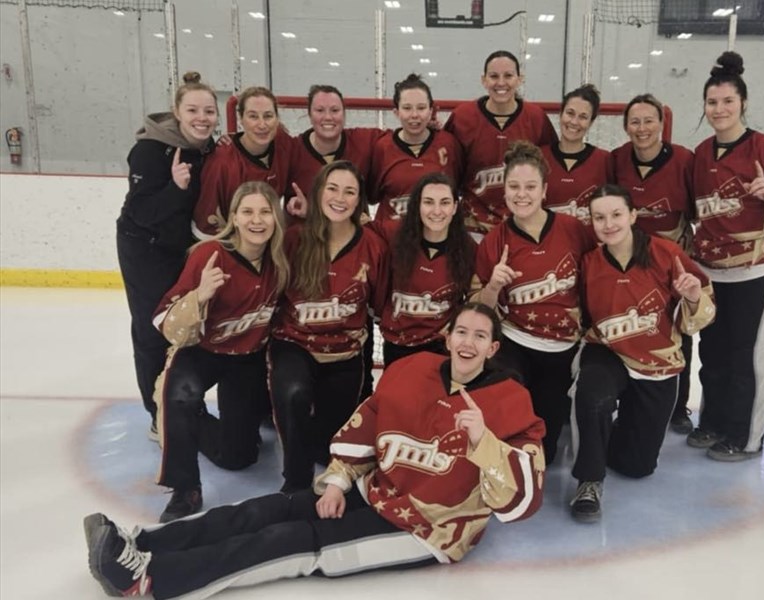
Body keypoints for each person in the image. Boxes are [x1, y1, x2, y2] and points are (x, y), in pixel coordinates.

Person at [83, 303, 546, 599]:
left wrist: (485, 444)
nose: (468, 342)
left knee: (292, 543)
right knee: (264, 511)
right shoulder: (414, 372)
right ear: (448, 338)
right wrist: (340, 481)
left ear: (493, 347)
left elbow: (521, 500)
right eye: (461, 332)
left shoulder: (510, 402)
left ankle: (150, 580)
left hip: (427, 529)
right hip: (374, 491)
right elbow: (365, 430)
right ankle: (141, 542)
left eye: (480, 336)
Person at [688, 52, 764, 461]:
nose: (719, 109)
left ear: (743, 103)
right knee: (715, 353)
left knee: (749, 357)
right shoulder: (701, 154)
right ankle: (715, 422)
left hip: (757, 273)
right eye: (712, 102)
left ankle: (747, 437)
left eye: (727, 101)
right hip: (712, 273)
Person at [569, 184, 715, 522]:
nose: (609, 224)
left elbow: (701, 314)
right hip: (606, 352)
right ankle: (589, 480)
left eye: (616, 214)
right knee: (593, 396)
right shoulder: (589, 262)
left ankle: (613, 432)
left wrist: (692, 297)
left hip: (657, 363)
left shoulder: (666, 254)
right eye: (599, 217)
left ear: (633, 215)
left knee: (638, 467)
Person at [151, 181, 289, 522]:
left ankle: (192, 422)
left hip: (247, 359)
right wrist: (199, 295)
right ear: (235, 218)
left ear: (276, 218)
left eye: (265, 211)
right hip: (202, 351)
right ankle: (185, 488)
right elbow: (161, 319)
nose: (256, 220)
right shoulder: (208, 254)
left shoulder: (282, 259)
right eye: (247, 212)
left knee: (238, 457)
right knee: (181, 396)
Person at [268, 160, 389, 493]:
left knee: (328, 443)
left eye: (349, 191)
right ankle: (294, 484)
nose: (340, 197)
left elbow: (379, 305)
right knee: (294, 394)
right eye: (332, 188)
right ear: (318, 192)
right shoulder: (294, 239)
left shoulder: (373, 246)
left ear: (359, 200)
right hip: (294, 343)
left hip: (344, 352)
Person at [473, 141, 595, 465]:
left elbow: (597, 279)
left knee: (547, 453)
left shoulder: (573, 231)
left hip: (560, 348)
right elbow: (480, 310)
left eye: (530, 187)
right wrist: (493, 285)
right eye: (514, 186)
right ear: (504, 190)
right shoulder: (495, 240)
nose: (521, 194)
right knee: (507, 413)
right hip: (514, 341)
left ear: (544, 190)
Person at [116, 71, 218, 440]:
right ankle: (158, 413)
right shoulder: (149, 150)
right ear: (177, 112)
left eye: (209, 110)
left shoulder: (209, 150)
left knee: (187, 326)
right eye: (193, 110)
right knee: (152, 329)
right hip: (144, 248)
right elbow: (141, 212)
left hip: (183, 249)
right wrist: (175, 188)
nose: (202, 118)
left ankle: (184, 401)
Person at [609, 93, 697, 435]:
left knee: (677, 331)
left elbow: (696, 209)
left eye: (649, 120)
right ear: (625, 125)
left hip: (668, 265)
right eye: (635, 121)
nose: (642, 128)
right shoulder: (617, 160)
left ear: (662, 123)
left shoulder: (684, 161)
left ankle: (677, 407)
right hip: (626, 264)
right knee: (628, 328)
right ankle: (626, 400)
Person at [444, 50, 557, 238]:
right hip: (472, 224)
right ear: (484, 80)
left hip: (523, 223)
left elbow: (547, 171)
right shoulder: (463, 117)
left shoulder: (536, 118)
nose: (501, 83)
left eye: (508, 76)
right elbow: (448, 171)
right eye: (494, 76)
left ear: (519, 79)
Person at [371, 172, 477, 367]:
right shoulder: (394, 234)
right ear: (417, 206)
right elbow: (354, 228)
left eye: (445, 202)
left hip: (440, 346)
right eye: (428, 202)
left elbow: (474, 298)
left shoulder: (468, 249)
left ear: (455, 207)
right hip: (397, 343)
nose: (437, 211)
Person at [192, 86, 295, 239]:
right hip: (233, 247)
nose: (262, 124)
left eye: (268, 116)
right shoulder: (221, 162)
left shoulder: (284, 143)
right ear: (240, 119)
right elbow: (205, 228)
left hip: (268, 242)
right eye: (253, 116)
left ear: (277, 118)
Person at [368, 73, 462, 223]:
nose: (414, 115)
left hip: (435, 235)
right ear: (396, 112)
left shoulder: (448, 143)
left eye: (421, 108)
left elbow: (456, 190)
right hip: (391, 238)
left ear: (431, 111)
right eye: (407, 108)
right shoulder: (383, 147)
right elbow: (372, 196)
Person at [286, 84, 387, 221]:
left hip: (355, 238)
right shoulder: (291, 150)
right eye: (320, 110)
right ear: (309, 115)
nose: (328, 117)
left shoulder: (364, 141)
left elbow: (403, 137)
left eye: (335, 110)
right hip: (307, 238)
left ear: (344, 114)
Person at [540, 84, 611, 226]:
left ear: (591, 122)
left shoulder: (605, 160)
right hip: (545, 243)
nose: (574, 122)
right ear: (560, 114)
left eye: (583, 117)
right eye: (570, 113)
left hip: (587, 245)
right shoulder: (539, 156)